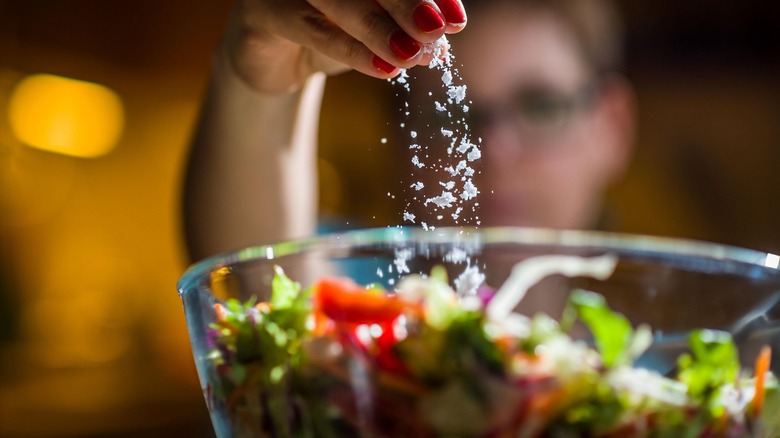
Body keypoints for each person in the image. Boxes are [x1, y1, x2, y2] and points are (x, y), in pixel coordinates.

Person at [183, 0, 635, 262]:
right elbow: (259, 278)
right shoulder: (358, 303)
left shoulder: (676, 387)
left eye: (541, 107)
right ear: (400, 145)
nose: (493, 150)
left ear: (612, 126)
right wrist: (260, 84)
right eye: (447, 119)